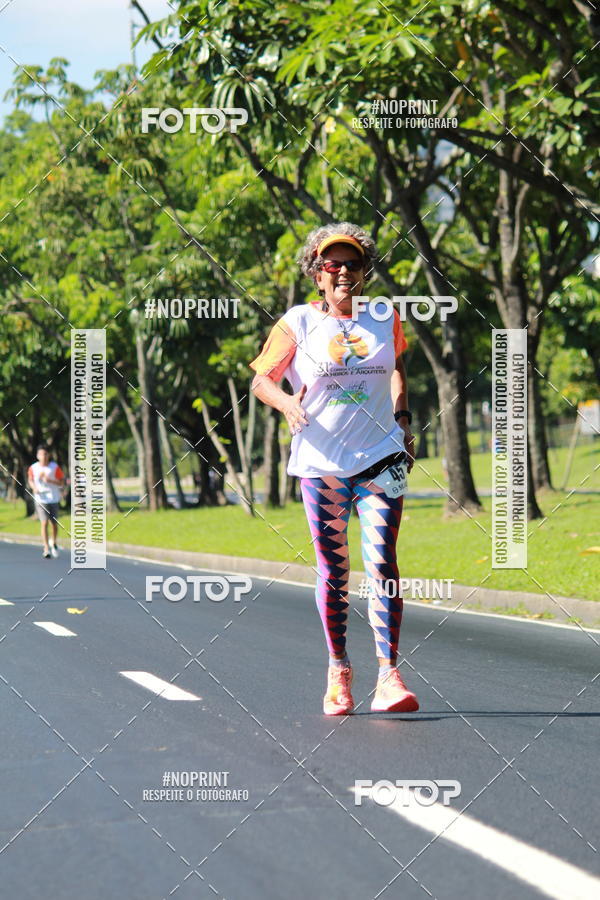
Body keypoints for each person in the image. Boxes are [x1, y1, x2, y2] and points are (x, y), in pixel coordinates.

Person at [250, 222, 419, 715]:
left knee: (382, 560)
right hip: (321, 462)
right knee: (335, 570)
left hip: (381, 456)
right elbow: (263, 379)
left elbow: (398, 368)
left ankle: (389, 675)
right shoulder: (297, 322)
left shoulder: (385, 315)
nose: (343, 271)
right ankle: (339, 670)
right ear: (317, 273)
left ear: (365, 271)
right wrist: (286, 405)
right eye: (332, 264)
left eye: (353, 263)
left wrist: (403, 420)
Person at [27, 445, 65, 559]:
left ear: (48, 455)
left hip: (53, 498)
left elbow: (61, 482)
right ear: (37, 456)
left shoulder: (54, 467)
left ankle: (53, 542)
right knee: (44, 522)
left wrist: (50, 480)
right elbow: (30, 480)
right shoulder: (33, 468)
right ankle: (46, 548)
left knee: (54, 523)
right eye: (41, 454)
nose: (43, 456)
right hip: (41, 499)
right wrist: (34, 488)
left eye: (45, 454)